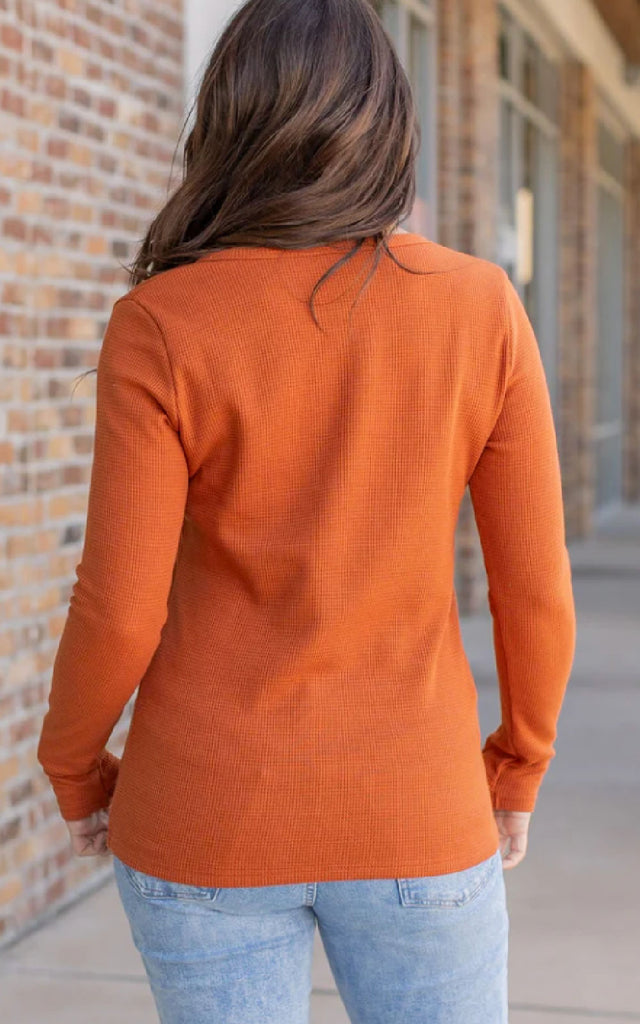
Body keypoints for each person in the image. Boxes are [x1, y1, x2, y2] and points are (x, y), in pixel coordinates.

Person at [36, 0, 576, 1021]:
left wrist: (74, 764)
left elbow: (116, 609)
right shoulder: (479, 308)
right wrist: (516, 765)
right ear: (391, 127)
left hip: (204, 815)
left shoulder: (161, 322)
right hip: (416, 806)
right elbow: (534, 586)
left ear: (228, 123)